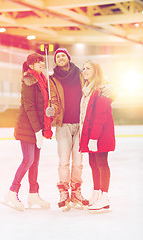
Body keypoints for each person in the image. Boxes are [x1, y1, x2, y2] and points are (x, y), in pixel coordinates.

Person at [46, 48, 112, 211]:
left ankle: (76, 191)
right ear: (56, 60)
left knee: (79, 162)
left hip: (82, 125)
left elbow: (101, 82)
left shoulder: (82, 74)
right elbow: (53, 100)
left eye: (63, 55)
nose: (60, 58)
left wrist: (112, 91)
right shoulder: (53, 79)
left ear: (68, 58)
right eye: (57, 56)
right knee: (63, 161)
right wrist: (52, 110)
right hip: (63, 124)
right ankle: (63, 191)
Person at [4, 53, 53, 211]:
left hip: (38, 127)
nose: (41, 63)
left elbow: (42, 106)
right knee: (28, 160)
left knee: (35, 163)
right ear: (31, 65)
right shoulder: (29, 81)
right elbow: (30, 107)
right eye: (38, 62)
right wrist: (38, 131)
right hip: (28, 127)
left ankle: (33, 194)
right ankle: (12, 191)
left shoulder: (42, 81)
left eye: (42, 61)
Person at [79, 60, 116, 212]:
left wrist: (94, 138)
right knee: (93, 164)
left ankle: (104, 198)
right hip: (90, 134)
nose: (84, 70)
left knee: (102, 164)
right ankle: (96, 193)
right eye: (84, 68)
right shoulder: (87, 89)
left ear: (96, 71)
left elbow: (100, 116)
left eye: (88, 68)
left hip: (100, 134)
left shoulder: (101, 89)